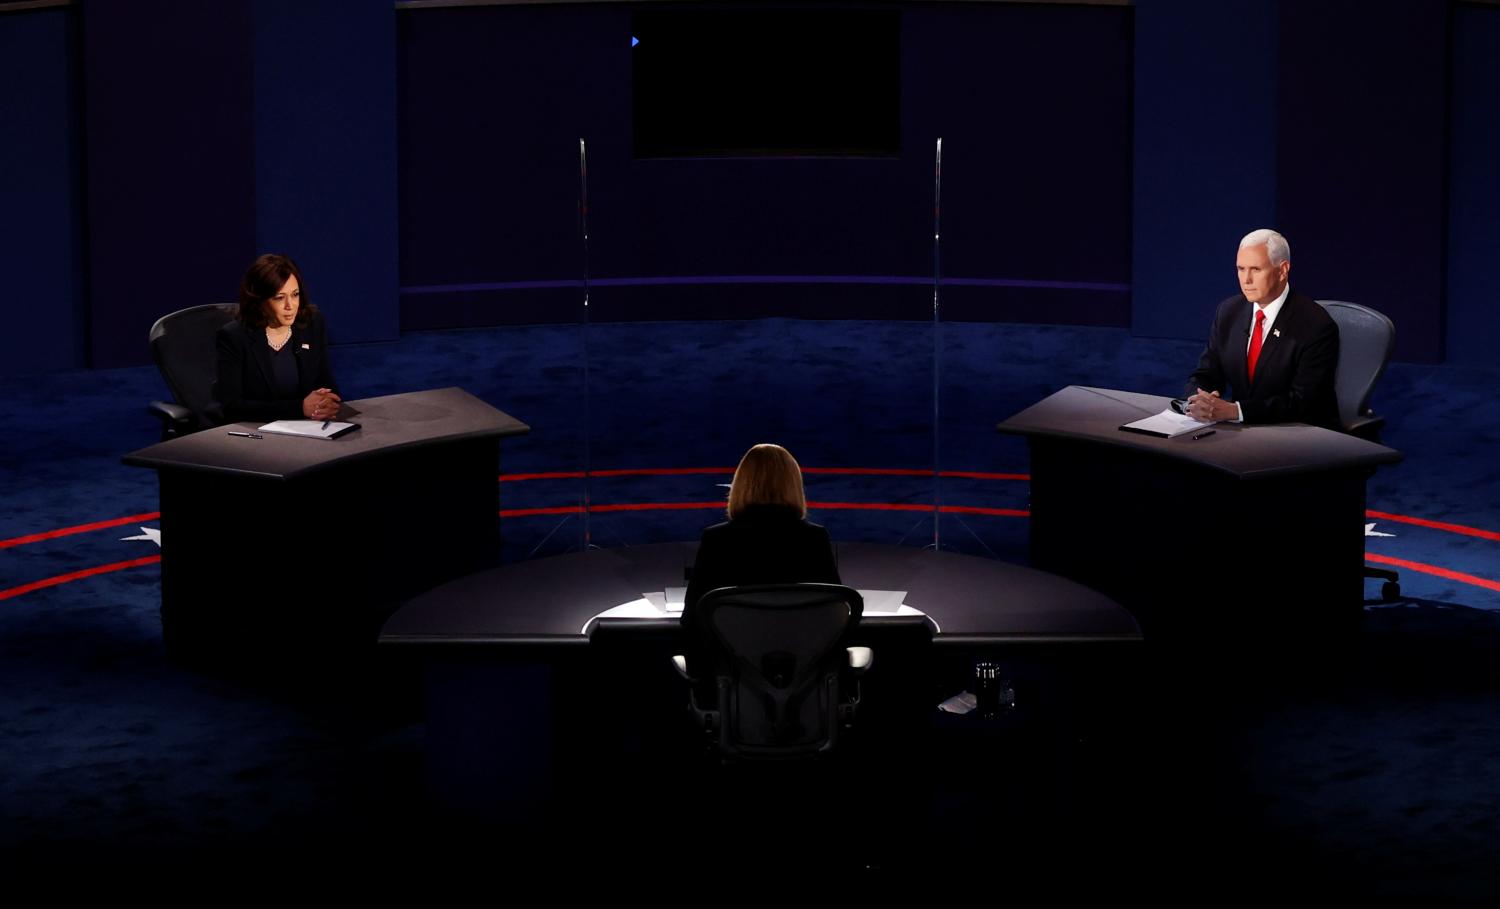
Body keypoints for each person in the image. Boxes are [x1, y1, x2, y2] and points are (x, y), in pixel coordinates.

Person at [1184, 228, 1340, 429]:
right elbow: (1206, 374)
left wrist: (1236, 411)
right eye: (1241, 269)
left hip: (1299, 433)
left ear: (1282, 270)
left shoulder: (1316, 325)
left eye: (1256, 269)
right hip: (1243, 430)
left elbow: (1303, 402)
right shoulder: (1228, 312)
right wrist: (1197, 400)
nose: (1246, 280)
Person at [681, 443, 841, 625]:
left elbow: (691, 619)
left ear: (740, 484)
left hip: (729, 651)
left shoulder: (716, 539)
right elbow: (836, 614)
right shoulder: (814, 538)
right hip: (804, 650)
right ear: (794, 485)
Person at [216, 253, 341, 424]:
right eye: (279, 298)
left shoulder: (312, 323)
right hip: (256, 431)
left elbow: (326, 384)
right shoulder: (235, 337)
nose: (290, 306)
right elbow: (232, 407)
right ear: (260, 301)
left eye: (295, 295)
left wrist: (328, 403)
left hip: (309, 429)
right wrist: (299, 408)